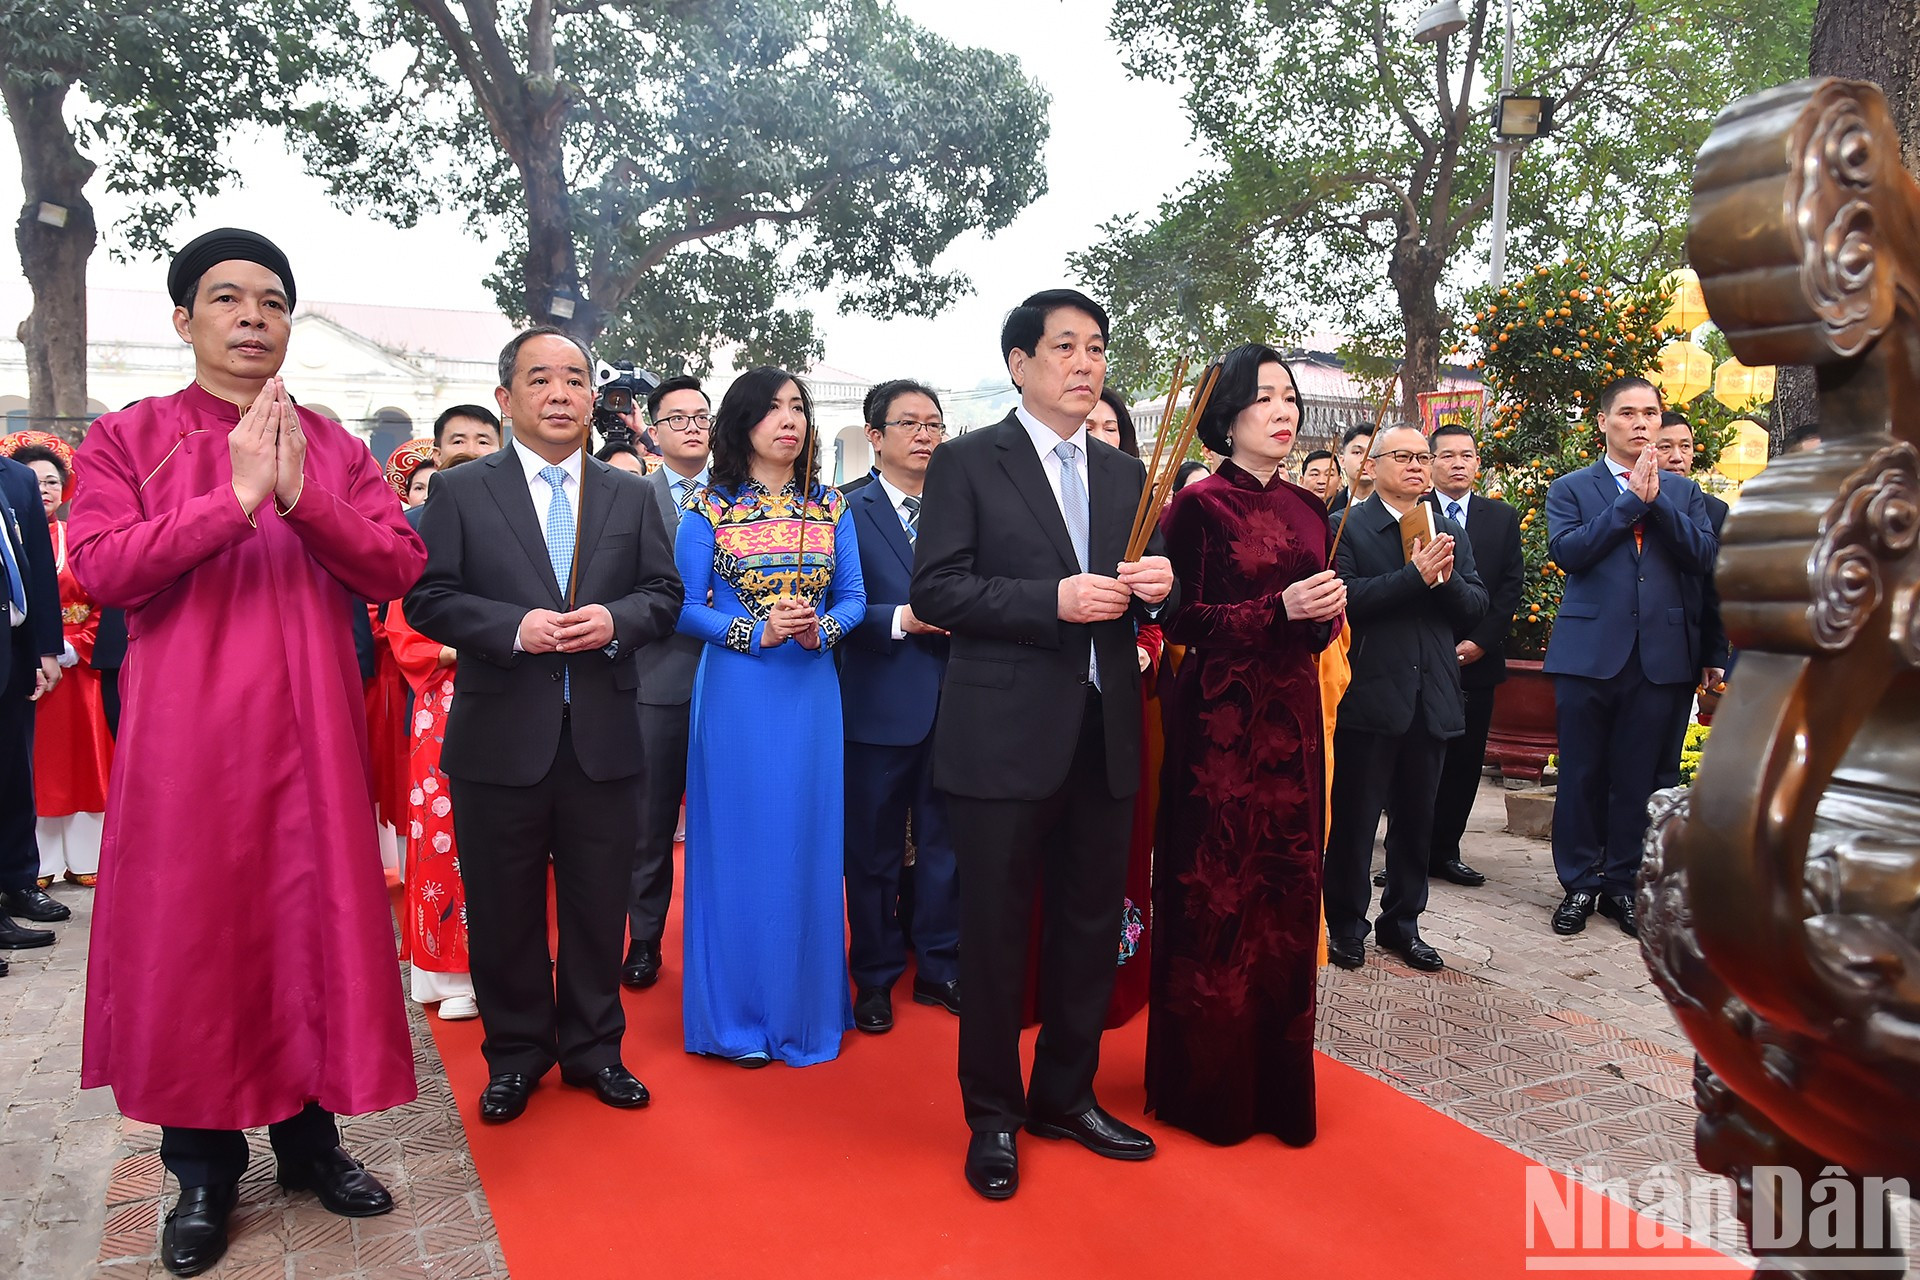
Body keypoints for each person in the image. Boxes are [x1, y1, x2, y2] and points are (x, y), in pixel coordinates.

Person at [69, 228, 425, 1276]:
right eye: (227, 299)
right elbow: (98, 566)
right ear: (184, 318)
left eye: (272, 300)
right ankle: (202, 1168)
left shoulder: (333, 443)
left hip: (313, 731)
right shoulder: (127, 439)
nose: (252, 317)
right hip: (186, 741)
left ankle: (311, 1141)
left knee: (307, 925)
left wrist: (302, 492)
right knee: (198, 939)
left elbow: (397, 558)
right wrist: (228, 498)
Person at [911, 288, 1174, 1201]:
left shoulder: (1122, 474)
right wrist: (1048, 600)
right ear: (1020, 363)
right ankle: (993, 1112)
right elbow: (939, 590)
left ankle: (1067, 1091)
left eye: (1095, 346)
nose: (1084, 362)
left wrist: (1159, 583)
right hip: (1001, 737)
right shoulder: (967, 462)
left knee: (1089, 927)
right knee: (992, 934)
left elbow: (1143, 595)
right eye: (1064, 346)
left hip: (1103, 735)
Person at [406, 326, 682, 1124]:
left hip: (602, 735)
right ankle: (518, 1054)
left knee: (600, 905)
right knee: (504, 909)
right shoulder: (460, 492)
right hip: (500, 738)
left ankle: (596, 1051)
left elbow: (663, 595)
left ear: (594, 397)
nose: (560, 393)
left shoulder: (633, 493)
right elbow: (428, 598)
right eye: (540, 379)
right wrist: (511, 628)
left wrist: (617, 618)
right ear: (507, 398)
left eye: (574, 379)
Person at [1146, 343, 1345, 1146]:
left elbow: (1319, 625)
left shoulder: (1308, 508)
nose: (1283, 410)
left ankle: (1278, 1089)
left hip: (1294, 727)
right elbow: (1177, 619)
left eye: (1290, 397)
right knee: (1216, 894)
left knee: (1287, 892)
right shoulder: (1195, 507)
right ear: (1227, 415)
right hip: (1219, 730)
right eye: (1265, 397)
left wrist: (1322, 610)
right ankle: (1209, 1092)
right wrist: (1277, 611)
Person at [675, 367, 865, 1066]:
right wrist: (755, 633)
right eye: (773, 409)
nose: (789, 420)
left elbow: (852, 595)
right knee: (739, 842)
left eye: (798, 408)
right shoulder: (709, 506)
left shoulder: (831, 506)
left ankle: (804, 1009)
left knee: (807, 841)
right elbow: (683, 605)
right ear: (743, 422)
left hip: (811, 688)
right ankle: (737, 1018)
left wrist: (824, 631)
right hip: (738, 690)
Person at [1543, 377, 1716, 938]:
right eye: (1628, 413)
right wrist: (1627, 504)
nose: (1642, 424)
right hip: (1589, 654)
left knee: (1639, 777)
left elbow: (1703, 557)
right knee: (1582, 772)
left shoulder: (1684, 492)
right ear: (1603, 422)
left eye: (1651, 414)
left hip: (1661, 656)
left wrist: (1657, 500)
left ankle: (1622, 884)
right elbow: (1570, 552)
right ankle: (1579, 882)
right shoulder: (1572, 487)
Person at [1323, 425, 1487, 973]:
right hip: (1370, 694)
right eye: (1405, 456)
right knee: (1355, 820)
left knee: (1417, 822)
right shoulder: (1346, 526)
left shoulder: (1448, 532)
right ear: (1372, 464)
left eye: (1425, 457)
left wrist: (1443, 580)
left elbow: (1475, 608)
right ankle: (1346, 924)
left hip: (1433, 693)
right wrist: (1414, 576)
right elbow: (1346, 601)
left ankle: (1403, 923)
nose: (1418, 466)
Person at [840, 378, 959, 1034]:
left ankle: (940, 964)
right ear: (875, 437)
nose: (924, 436)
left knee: (946, 844)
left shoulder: (960, 506)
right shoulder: (841, 511)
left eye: (934, 424)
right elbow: (832, 606)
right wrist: (899, 620)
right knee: (874, 850)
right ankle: (876, 974)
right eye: (909, 424)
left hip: (957, 703)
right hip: (876, 703)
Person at [623, 374, 711, 991]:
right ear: (653, 431)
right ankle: (645, 939)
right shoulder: (630, 498)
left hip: (738, 678)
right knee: (650, 826)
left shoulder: (743, 498)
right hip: (658, 680)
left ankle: (719, 940)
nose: (692, 426)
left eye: (701, 416)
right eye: (677, 418)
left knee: (727, 820)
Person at [1, 434, 113, 890]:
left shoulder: (79, 537)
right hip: (22, 667)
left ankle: (87, 855)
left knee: (87, 762)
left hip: (77, 669)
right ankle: (38, 863)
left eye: (51, 480)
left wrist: (76, 645)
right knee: (31, 767)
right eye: (33, 480)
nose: (42, 489)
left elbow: (104, 601)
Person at [1082, 386, 1161, 1027]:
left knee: (1117, 852)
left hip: (1120, 701)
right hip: (1043, 707)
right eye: (1090, 425)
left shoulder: (1137, 498)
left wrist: (1153, 616)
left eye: (1111, 426)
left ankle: (1119, 970)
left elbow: (1167, 599)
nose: (1100, 434)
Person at [1424, 423, 1524, 887]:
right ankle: (1411, 851)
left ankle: (1446, 851)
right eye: (1447, 455)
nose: (1458, 463)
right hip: (1423, 657)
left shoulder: (1500, 517)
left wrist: (1480, 642)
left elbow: (1508, 590)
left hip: (1478, 661)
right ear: (1431, 463)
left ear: (1478, 463)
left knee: (1465, 764)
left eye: (1467, 455)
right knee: (1418, 761)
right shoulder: (1413, 512)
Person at [0, 439, 64, 961]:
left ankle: (20, 881)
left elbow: (39, 569)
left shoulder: (17, 480)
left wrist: (45, 647)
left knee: (13, 776)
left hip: (14, 650)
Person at [1652, 412, 1729, 790]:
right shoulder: (1625, 500)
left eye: (1685, 447)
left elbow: (1716, 588)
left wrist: (1713, 655)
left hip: (1681, 648)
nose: (1677, 457)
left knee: (1664, 756)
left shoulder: (1714, 510)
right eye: (1666, 447)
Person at [1326, 422, 1375, 513]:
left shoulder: (1398, 510)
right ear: (1342, 461)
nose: (1364, 460)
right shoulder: (1327, 509)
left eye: (1372, 454)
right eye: (1357, 452)